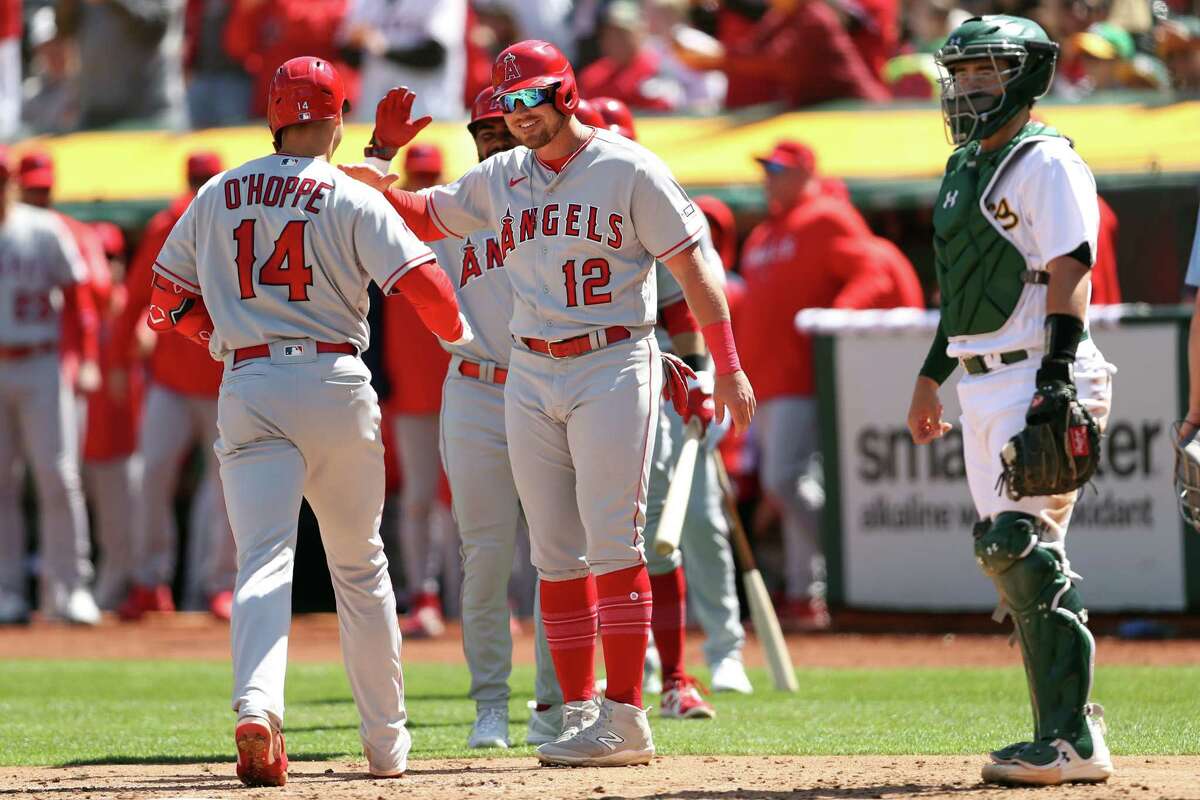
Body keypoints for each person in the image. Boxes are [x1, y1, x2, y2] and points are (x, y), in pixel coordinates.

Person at [343, 40, 754, 767]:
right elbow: (413, 214)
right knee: (554, 555)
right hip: (530, 369)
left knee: (614, 544)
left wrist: (725, 367)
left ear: (565, 94)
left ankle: (628, 715)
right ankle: (580, 711)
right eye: (509, 103)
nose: (520, 115)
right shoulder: (502, 175)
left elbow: (695, 268)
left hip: (610, 358)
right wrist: (379, 157)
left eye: (532, 98)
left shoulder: (627, 166)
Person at [146, 56, 469, 786]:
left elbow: (163, 306)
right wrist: (467, 343)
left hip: (249, 379)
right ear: (335, 121)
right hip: (332, 377)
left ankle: (258, 705)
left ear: (274, 117)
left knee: (262, 561)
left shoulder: (217, 191)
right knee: (360, 566)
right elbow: (429, 289)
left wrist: (220, 336)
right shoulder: (348, 195)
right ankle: (386, 748)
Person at [905, 15, 1115, 785]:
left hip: (1040, 367)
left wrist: (1058, 378)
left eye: (986, 72)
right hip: (983, 372)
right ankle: (1065, 730)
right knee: (1013, 555)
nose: (967, 88)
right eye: (960, 74)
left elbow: (1070, 269)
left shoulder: (1047, 161)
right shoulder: (965, 164)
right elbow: (960, 288)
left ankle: (1069, 740)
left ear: (1026, 75)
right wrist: (934, 375)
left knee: (1019, 550)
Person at [363, 86, 561, 748]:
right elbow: (361, 203)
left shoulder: (555, 193)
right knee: (484, 554)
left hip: (545, 380)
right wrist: (380, 151)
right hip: (474, 384)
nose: (494, 138)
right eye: (484, 128)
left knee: (555, 553)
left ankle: (554, 705)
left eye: (504, 126)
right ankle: (490, 707)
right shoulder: (450, 203)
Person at [594, 96, 753, 700]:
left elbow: (695, 298)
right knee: (620, 527)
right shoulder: (558, 192)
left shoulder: (658, 193)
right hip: (609, 373)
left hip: (677, 370)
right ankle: (649, 658)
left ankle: (725, 650)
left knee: (703, 521)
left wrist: (707, 376)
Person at [736, 139, 892, 629]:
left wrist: (834, 320)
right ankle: (809, 593)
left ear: (806, 172)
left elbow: (875, 273)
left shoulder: (826, 216)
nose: (769, 178)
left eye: (779, 169)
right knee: (785, 487)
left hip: (803, 377)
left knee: (786, 479)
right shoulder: (762, 233)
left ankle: (854, 554)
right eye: (766, 170)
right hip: (763, 382)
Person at [112, 151, 235, 621]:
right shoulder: (166, 222)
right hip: (172, 380)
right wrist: (122, 356)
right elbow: (137, 297)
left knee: (227, 486)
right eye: (197, 180)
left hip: (224, 378)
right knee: (151, 474)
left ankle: (221, 584)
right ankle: (149, 581)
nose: (199, 188)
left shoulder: (237, 219)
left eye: (206, 180)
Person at [0, 145, 101, 626]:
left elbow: (80, 296)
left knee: (58, 476)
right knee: (2, 483)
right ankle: (8, 590)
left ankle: (70, 588)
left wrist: (83, 358)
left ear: (14, 182)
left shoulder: (42, 228)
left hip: (40, 361)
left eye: (3, 179)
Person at [378, 143, 458, 638]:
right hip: (408, 387)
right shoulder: (388, 230)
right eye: (419, 176)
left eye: (432, 175)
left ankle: (475, 599)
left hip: (460, 382)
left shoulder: (460, 224)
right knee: (417, 499)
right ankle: (424, 595)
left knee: (468, 500)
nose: (425, 183)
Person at [81, 221, 147, 611]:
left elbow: (147, 339)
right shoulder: (83, 308)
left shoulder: (130, 306)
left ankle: (115, 593)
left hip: (128, 437)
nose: (106, 266)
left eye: (112, 258)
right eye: (100, 258)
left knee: (123, 529)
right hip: (90, 437)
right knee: (101, 526)